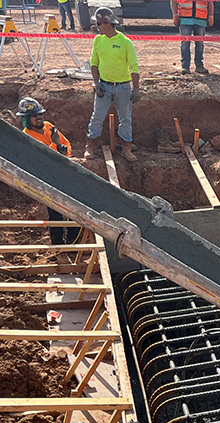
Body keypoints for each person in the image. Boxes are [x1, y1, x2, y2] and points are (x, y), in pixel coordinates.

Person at [16, 97, 79, 245]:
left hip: (62, 174)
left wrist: (62, 149)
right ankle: (58, 245)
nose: (39, 118)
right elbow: (42, 161)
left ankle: (73, 243)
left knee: (76, 210)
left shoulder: (48, 127)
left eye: (40, 114)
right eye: (35, 116)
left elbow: (66, 145)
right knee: (55, 214)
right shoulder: (26, 137)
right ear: (26, 119)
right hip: (46, 180)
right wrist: (55, 145)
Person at [84, 7, 140, 163]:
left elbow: (134, 67)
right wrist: (96, 83)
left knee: (125, 119)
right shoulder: (98, 40)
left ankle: (126, 148)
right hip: (105, 86)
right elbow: (94, 63)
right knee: (97, 117)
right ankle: (90, 146)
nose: (97, 27)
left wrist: (135, 88)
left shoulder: (125, 42)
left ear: (107, 23)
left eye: (99, 24)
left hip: (122, 87)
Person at [171, 0, 213, 75]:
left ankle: (199, 65)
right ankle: (185, 66)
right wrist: (175, 14)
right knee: (185, 43)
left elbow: (210, 2)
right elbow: (174, 1)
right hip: (185, 19)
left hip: (200, 19)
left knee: (200, 44)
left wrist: (211, 16)